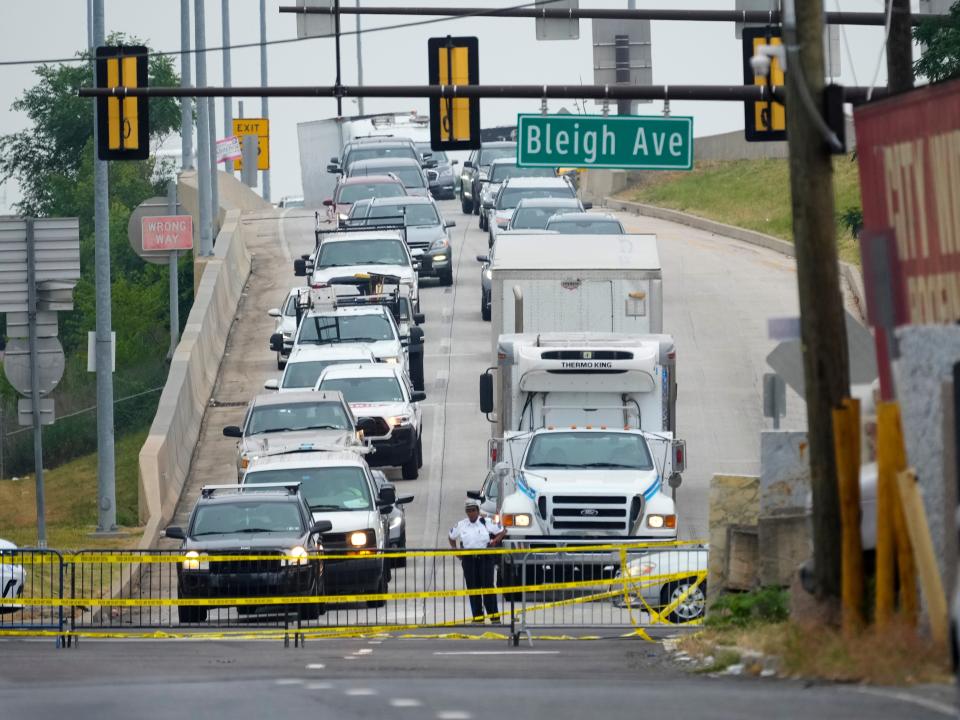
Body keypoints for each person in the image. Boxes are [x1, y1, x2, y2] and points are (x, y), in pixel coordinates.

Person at [448, 499, 506, 622]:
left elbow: (502, 531)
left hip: (485, 558)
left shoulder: (486, 522)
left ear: (478, 511)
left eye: (473, 510)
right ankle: (478, 617)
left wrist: (495, 541)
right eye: (468, 511)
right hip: (469, 560)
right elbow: (451, 536)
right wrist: (455, 550)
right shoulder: (461, 524)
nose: (471, 513)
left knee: (488, 587)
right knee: (473, 588)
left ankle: (494, 617)